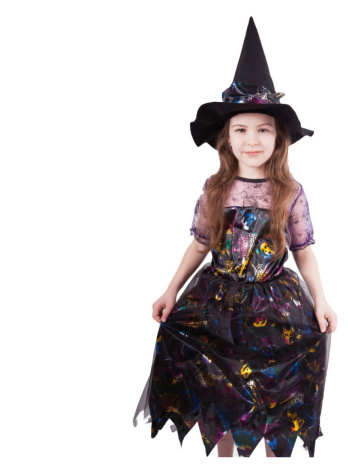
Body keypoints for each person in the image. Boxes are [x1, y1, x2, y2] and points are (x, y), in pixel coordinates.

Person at [133, 17, 337, 458]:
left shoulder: (290, 191)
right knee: (221, 395)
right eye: (241, 130)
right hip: (217, 306)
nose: (252, 140)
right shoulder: (215, 189)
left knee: (276, 396)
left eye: (263, 129)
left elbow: (304, 251)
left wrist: (321, 300)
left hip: (276, 308)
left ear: (279, 138)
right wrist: (170, 291)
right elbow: (200, 243)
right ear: (226, 138)